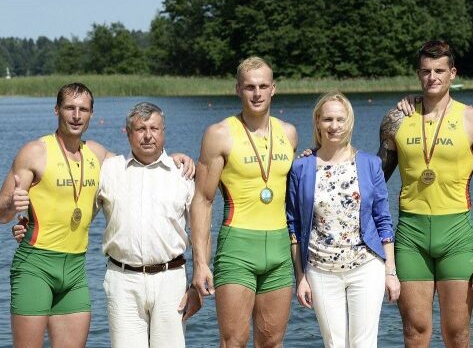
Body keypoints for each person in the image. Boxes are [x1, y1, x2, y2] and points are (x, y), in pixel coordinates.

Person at [0, 83, 193, 348]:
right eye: (69, 108)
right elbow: (2, 214)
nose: (76, 115)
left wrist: (172, 160)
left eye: (83, 109)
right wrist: (12, 205)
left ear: (91, 114)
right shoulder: (35, 152)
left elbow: (139, 165)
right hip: (36, 263)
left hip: (75, 270)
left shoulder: (99, 155)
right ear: (57, 110)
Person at [378, 40, 473, 347]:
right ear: (419, 74)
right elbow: (375, 181)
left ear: (452, 73)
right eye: (426, 71)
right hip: (411, 237)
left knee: (457, 332)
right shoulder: (397, 118)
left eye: (439, 71)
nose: (433, 77)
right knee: (415, 332)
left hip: (456, 235)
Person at [190, 56, 298, 347]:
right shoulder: (219, 134)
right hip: (237, 249)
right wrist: (200, 263)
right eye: (250, 87)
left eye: (263, 86)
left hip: (278, 250)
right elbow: (202, 200)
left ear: (273, 88)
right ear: (238, 89)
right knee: (233, 341)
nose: (257, 93)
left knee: (272, 341)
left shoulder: (288, 133)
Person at [287, 92, 400, 347]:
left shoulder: (370, 164)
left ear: (349, 121)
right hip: (320, 269)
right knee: (334, 343)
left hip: (366, 267)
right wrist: (301, 276)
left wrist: (391, 273)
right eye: (327, 119)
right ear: (317, 122)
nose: (334, 126)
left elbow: (383, 221)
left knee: (364, 343)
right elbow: (293, 226)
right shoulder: (301, 168)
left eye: (340, 119)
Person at [97, 102, 200, 347]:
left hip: (171, 279)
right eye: (140, 129)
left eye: (154, 128)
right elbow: (76, 209)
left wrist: (196, 283)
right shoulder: (109, 170)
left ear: (163, 131)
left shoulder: (182, 173)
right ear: (128, 133)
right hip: (122, 280)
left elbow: (199, 234)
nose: (147, 135)